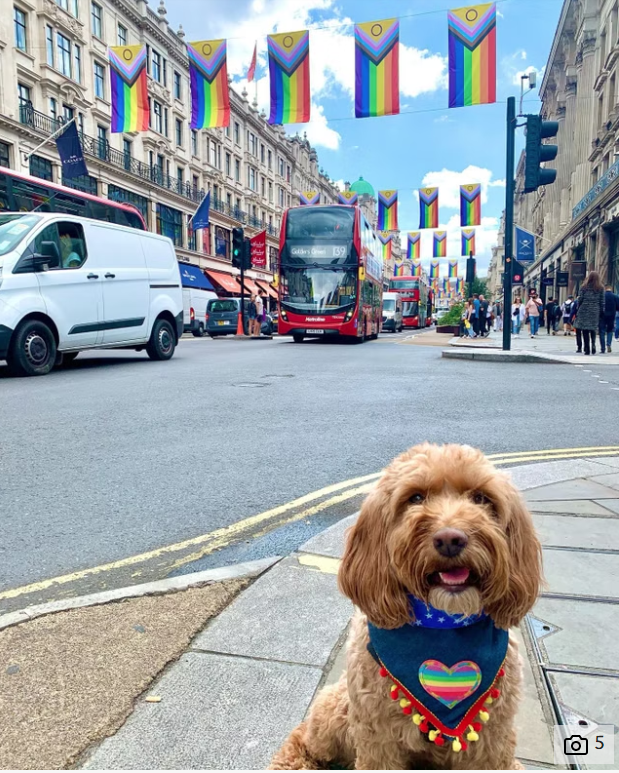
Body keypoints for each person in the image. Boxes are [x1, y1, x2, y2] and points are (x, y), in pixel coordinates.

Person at [574, 271, 604, 355]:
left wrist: (578, 307)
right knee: (593, 328)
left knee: (585, 330)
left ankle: (587, 348)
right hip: (595, 310)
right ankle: (593, 345)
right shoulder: (600, 288)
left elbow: (580, 299)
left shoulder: (584, 287)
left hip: (584, 309)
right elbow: (602, 301)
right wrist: (601, 311)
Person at [599, 285, 619, 354]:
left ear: (605, 289)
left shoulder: (602, 296)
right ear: (611, 288)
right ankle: (609, 344)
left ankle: (603, 348)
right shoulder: (615, 296)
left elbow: (599, 305)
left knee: (602, 331)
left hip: (602, 316)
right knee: (610, 330)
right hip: (611, 316)